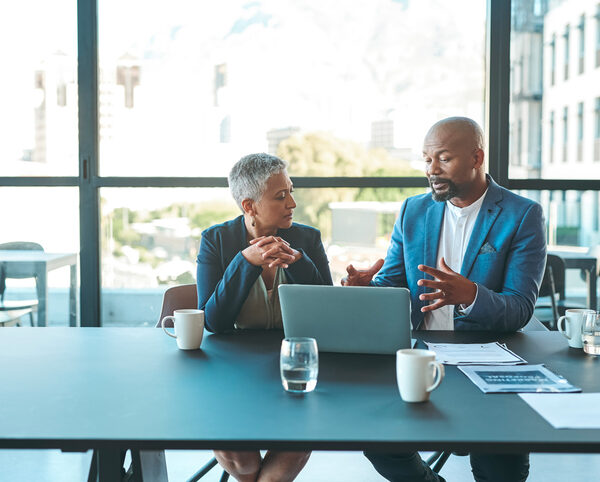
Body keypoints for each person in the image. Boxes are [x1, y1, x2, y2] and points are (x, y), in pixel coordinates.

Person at [343, 117, 546, 482]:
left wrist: (470, 295)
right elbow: (393, 286)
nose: (431, 170)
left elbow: (519, 307)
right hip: (421, 355)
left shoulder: (522, 215)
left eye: (443, 158)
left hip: (489, 359)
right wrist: (365, 292)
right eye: (426, 159)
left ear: (476, 157)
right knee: (378, 441)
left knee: (501, 468)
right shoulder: (412, 211)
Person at [197, 152, 332, 482]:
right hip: (229, 371)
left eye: (291, 191)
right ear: (249, 206)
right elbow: (213, 321)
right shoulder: (216, 240)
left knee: (276, 471)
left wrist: (299, 261)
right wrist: (245, 262)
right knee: (243, 463)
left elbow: (328, 310)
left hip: (294, 368)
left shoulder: (308, 239)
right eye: (281, 196)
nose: (292, 203)